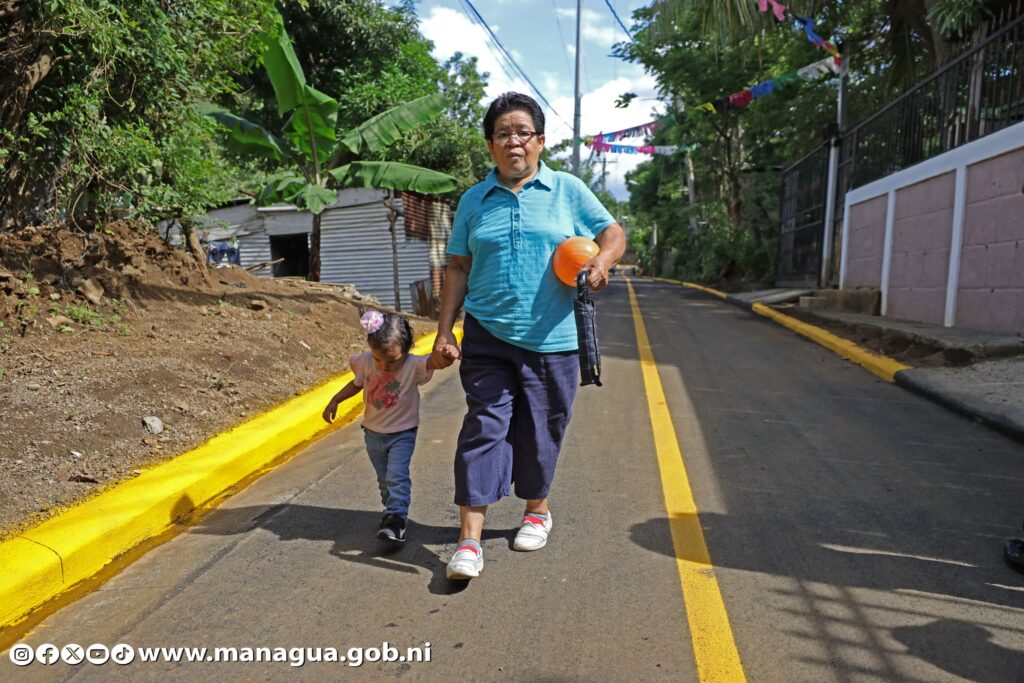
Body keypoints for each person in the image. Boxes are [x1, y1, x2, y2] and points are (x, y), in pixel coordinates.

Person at [432, 92, 626, 580]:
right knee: (483, 427)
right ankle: (469, 541)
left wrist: (602, 263)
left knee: (541, 430)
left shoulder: (567, 190)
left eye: (523, 132)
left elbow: (612, 233)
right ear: (490, 144)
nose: (513, 141)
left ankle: (537, 509)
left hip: (553, 338)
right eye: (503, 133)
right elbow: (457, 267)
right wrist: (444, 330)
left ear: (540, 141)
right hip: (487, 335)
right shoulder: (473, 200)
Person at [323, 310, 446, 544]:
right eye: (379, 359)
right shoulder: (366, 362)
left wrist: (445, 352)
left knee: (396, 476)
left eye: (392, 361)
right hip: (373, 434)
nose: (384, 366)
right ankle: (391, 511)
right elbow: (356, 384)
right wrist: (336, 399)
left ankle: (397, 520)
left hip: (403, 433)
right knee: (384, 479)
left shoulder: (413, 365)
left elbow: (434, 362)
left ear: (406, 351)